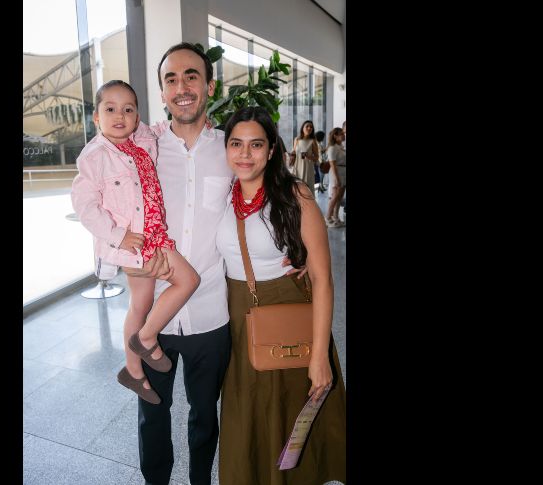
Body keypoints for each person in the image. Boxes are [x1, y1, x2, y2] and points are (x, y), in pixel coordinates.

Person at [129, 42, 302, 485]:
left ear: (209, 85)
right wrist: (117, 262)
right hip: (155, 318)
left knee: (205, 417)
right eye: (171, 79)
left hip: (211, 316)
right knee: (152, 418)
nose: (182, 87)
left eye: (191, 76)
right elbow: (104, 198)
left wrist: (296, 249)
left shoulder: (228, 148)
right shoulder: (140, 148)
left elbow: (270, 188)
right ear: (162, 90)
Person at [216, 107, 346, 485]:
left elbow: (323, 280)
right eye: (236, 144)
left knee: (290, 422)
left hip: (286, 319)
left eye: (256, 144)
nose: (244, 154)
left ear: (272, 150)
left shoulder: (295, 195)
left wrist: (320, 355)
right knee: (248, 420)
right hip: (237, 324)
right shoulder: (224, 195)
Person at [71, 80, 201, 406]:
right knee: (187, 280)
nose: (120, 115)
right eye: (110, 109)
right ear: (96, 118)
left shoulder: (140, 139)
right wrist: (118, 236)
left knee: (140, 306)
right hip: (135, 242)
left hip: (154, 232)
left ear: (137, 115)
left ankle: (133, 371)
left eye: (128, 109)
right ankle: (145, 339)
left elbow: (157, 128)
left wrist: (200, 123)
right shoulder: (95, 156)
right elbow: (85, 207)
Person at [325, 127, 346, 227]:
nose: (343, 135)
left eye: (343, 133)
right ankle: (328, 218)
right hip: (336, 173)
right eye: (341, 134)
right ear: (335, 136)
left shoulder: (340, 146)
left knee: (339, 197)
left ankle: (336, 217)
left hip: (343, 172)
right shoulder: (332, 148)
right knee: (335, 197)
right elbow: (332, 164)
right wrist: (337, 179)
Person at [292, 120, 320, 193]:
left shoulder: (313, 141)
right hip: (297, 167)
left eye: (311, 127)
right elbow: (294, 152)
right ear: (302, 128)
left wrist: (309, 156)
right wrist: (292, 154)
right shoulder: (297, 139)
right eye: (307, 126)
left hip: (307, 168)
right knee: (297, 189)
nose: (309, 128)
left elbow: (317, 157)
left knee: (307, 190)